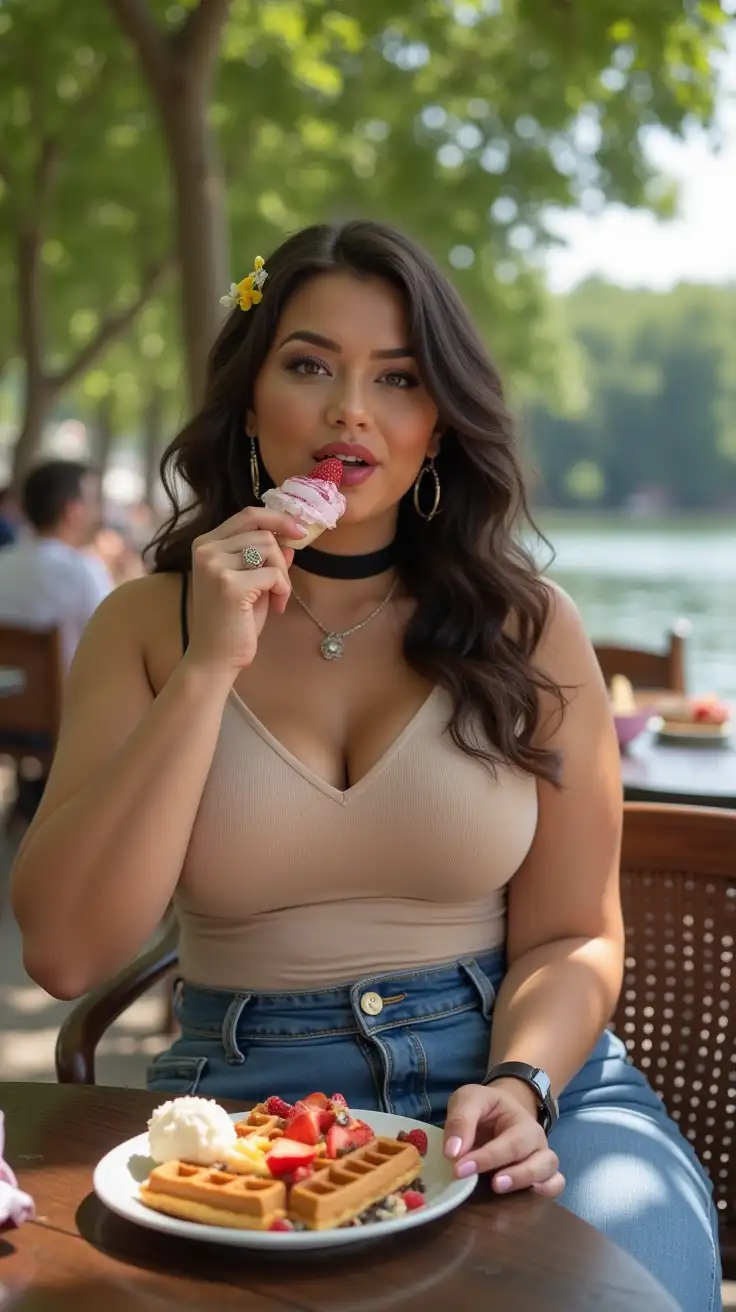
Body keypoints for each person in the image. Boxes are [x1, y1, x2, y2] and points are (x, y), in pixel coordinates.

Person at [9, 222, 720, 1310]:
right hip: (251, 1103)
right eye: (309, 365)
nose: (351, 409)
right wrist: (210, 666)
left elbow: (572, 932)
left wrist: (521, 1082)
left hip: (531, 1089)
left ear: (436, 425)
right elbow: (65, 954)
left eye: (397, 378)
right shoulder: (145, 625)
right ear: (250, 402)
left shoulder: (530, 629)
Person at [0, 460, 112, 670]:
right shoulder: (82, 570)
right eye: (94, 501)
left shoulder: (3, 562)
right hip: (70, 701)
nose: (99, 512)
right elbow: (114, 648)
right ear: (72, 511)